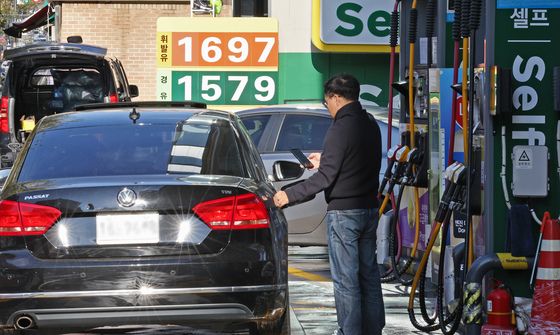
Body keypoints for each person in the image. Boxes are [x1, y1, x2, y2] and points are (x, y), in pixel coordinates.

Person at [273, 74, 385, 335]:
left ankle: (349, 331)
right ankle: (373, 330)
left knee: (346, 281)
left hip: (344, 215)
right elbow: (357, 160)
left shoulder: (339, 128)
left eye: (327, 103)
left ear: (335, 97)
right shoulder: (369, 124)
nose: (328, 108)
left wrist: (288, 195)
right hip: (368, 210)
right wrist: (325, 158)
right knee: (368, 277)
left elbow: (325, 178)